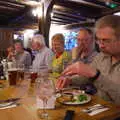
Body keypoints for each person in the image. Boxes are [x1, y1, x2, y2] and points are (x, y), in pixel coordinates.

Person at [56, 15, 120, 105]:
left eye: (106, 40)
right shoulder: (102, 56)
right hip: (98, 107)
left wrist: (97, 75)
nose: (101, 45)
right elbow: (87, 77)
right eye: (99, 40)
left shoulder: (97, 55)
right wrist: (70, 80)